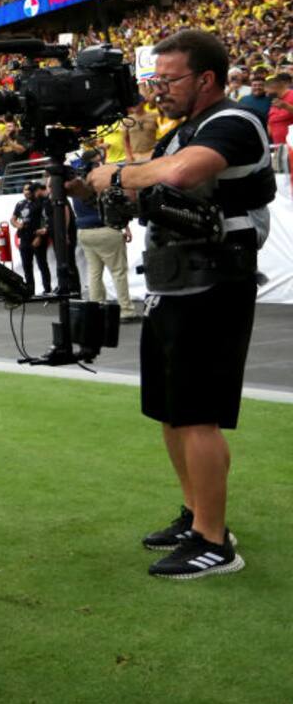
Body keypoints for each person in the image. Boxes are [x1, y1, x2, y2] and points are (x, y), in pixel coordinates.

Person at [87, 29, 275, 580]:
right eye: (156, 78)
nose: (157, 90)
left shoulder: (234, 122)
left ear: (207, 80)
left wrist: (119, 172)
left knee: (197, 416)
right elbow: (151, 184)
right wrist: (97, 182)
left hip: (214, 283)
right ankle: (197, 517)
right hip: (176, 282)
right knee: (171, 412)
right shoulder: (185, 130)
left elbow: (178, 174)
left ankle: (216, 543)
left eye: (168, 79)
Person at [71, 191, 140, 323]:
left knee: (94, 272)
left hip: (84, 231)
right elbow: (114, 206)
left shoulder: (77, 187)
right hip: (106, 228)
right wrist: (125, 226)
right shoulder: (100, 185)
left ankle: (97, 308)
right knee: (118, 272)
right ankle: (126, 310)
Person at [10, 183, 51, 296]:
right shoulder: (20, 204)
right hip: (24, 238)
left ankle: (47, 290)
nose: (27, 191)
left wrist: (39, 237)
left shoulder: (41, 203)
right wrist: (18, 225)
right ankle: (30, 291)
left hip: (37, 237)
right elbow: (13, 219)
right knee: (27, 266)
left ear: (33, 191)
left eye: (29, 189)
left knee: (42, 264)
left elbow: (45, 221)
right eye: (24, 189)